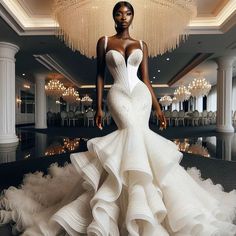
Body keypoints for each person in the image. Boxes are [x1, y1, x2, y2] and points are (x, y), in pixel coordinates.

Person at [0, 1, 236, 235]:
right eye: (119, 13)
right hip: (118, 94)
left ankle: (143, 202)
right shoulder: (104, 41)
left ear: (132, 17)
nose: (124, 17)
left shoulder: (142, 44)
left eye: (128, 13)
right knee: (128, 135)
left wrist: (157, 107)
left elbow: (146, 80)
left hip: (140, 96)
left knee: (140, 139)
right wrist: (99, 106)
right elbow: (100, 76)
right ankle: (115, 200)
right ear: (114, 16)